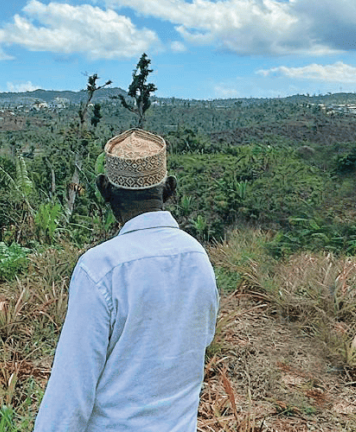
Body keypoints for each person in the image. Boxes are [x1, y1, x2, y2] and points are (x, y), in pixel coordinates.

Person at [34, 129, 219, 431]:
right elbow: (202, 339)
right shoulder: (197, 257)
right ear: (169, 189)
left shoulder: (100, 268)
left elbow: (71, 391)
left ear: (104, 189)